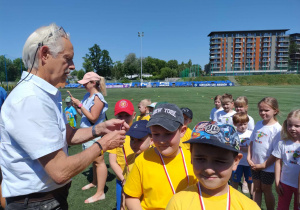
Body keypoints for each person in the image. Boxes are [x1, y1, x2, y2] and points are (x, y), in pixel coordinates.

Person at [0, 23, 127, 210]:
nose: (73, 66)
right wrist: (104, 143)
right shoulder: (30, 98)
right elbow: (60, 171)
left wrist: (99, 129)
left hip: (44, 200)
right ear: (44, 54)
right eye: (67, 59)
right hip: (36, 203)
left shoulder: (43, 93)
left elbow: (66, 135)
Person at [166, 121, 260, 210]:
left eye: (219, 161)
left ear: (235, 161)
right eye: (200, 159)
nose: (209, 170)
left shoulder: (249, 207)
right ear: (191, 156)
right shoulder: (178, 203)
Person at [124, 103, 197, 210]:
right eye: (156, 134)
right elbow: (131, 197)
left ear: (182, 131)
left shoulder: (193, 160)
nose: (162, 141)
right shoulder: (143, 160)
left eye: (168, 134)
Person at [69, 71, 108, 203]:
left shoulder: (98, 98)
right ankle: (94, 182)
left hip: (96, 134)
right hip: (89, 133)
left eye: (86, 83)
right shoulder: (88, 95)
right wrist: (77, 106)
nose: (84, 85)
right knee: (94, 161)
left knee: (99, 162)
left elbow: (93, 118)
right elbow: (84, 115)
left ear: (93, 83)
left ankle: (100, 193)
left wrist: (79, 104)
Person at [247, 97, 282, 210]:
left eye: (266, 110)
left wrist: (263, 165)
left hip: (268, 167)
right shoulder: (258, 124)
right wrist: (248, 157)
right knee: (256, 188)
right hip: (254, 164)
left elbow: (276, 152)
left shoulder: (277, 129)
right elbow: (251, 142)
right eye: (261, 110)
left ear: (275, 111)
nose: (263, 113)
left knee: (266, 189)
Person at [108, 99, 136, 210]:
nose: (123, 120)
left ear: (134, 115)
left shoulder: (140, 133)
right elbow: (112, 161)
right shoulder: (114, 135)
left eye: (127, 115)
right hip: (122, 180)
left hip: (139, 179)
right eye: (120, 116)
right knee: (122, 206)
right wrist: (124, 179)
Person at [272, 109, 300, 210]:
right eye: (290, 125)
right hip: (285, 182)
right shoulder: (282, 143)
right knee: (282, 207)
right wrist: (277, 182)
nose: (292, 128)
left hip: (299, 185)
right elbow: (278, 162)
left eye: (297, 126)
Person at [231, 113, 253, 198]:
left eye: (245, 124)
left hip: (248, 163)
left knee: (251, 182)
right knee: (235, 181)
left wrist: (247, 149)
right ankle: (234, 198)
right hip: (237, 163)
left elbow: (255, 147)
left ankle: (253, 199)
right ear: (235, 124)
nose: (243, 126)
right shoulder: (233, 134)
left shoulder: (251, 133)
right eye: (240, 124)